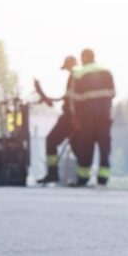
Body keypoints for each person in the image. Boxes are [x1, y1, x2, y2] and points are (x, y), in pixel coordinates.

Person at [70, 48, 115, 186]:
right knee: (104, 146)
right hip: (105, 115)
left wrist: (75, 117)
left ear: (83, 58)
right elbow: (113, 93)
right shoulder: (106, 70)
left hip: (87, 116)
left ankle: (83, 178)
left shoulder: (79, 74)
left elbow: (74, 99)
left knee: (85, 146)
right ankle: (103, 178)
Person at [37, 55, 79, 184]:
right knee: (77, 146)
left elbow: (73, 99)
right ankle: (79, 176)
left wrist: (74, 116)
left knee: (51, 141)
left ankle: (53, 173)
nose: (66, 70)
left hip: (70, 117)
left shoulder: (75, 76)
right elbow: (67, 97)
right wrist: (50, 99)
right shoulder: (75, 77)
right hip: (73, 116)